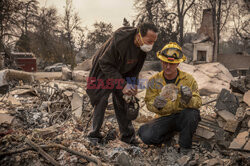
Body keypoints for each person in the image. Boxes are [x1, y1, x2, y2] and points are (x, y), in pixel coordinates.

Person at [86, 22, 158, 144]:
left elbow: (136, 69)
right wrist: (122, 84)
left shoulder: (142, 48)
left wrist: (132, 84)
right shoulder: (121, 39)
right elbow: (105, 62)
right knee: (101, 99)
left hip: (123, 70)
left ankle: (128, 137)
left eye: (153, 42)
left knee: (125, 99)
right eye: (149, 41)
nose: (151, 45)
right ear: (139, 35)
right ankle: (94, 135)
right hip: (104, 68)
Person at [138, 42, 202, 153]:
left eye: (171, 64)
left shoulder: (189, 79)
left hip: (183, 117)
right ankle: (168, 137)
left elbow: (198, 102)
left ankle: (185, 147)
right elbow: (149, 102)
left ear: (178, 63)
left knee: (192, 114)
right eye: (165, 62)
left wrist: (189, 99)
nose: (168, 66)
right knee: (144, 133)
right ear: (161, 61)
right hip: (164, 118)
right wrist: (155, 105)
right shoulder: (154, 80)